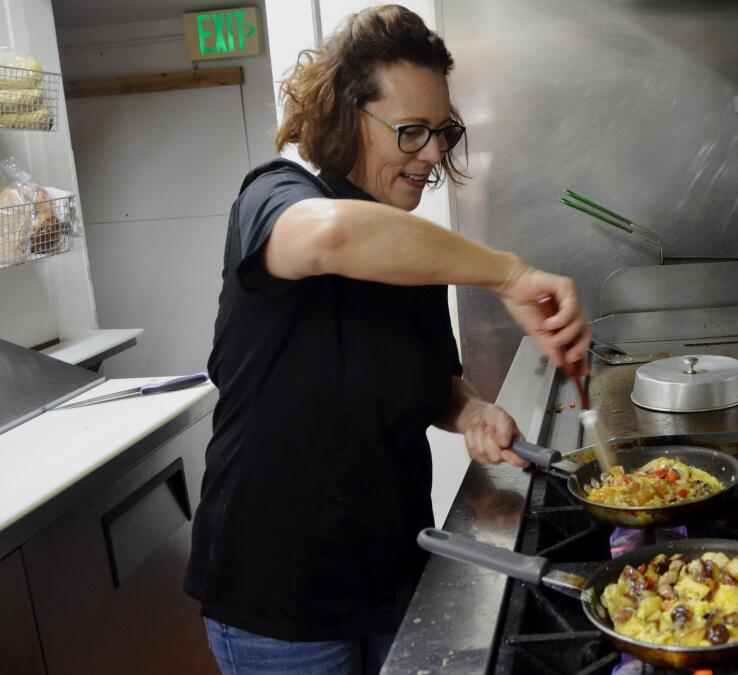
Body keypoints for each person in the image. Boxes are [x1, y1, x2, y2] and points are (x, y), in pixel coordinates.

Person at [183, 6, 590, 674]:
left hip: (391, 576)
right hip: (280, 602)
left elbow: (430, 382)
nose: (432, 154)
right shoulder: (275, 197)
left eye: (442, 132)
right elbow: (328, 236)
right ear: (347, 121)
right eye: (410, 132)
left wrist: (472, 411)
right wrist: (510, 274)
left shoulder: (415, 254)